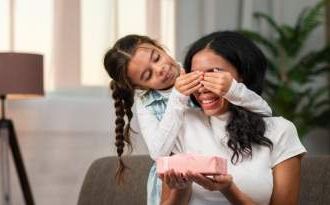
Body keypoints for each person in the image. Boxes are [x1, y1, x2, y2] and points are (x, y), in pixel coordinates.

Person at [103, 34, 272, 204]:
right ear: (140, 86)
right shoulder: (146, 103)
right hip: (176, 180)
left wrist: (233, 90)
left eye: (156, 58)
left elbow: (264, 113)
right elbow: (158, 153)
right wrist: (178, 97)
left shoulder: (197, 66)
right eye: (148, 76)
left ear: (160, 47)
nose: (159, 69)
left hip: (221, 157)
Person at [154, 31, 307, 205]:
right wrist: (182, 188)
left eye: (213, 75)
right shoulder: (183, 123)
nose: (202, 88)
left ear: (242, 75)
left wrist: (229, 190)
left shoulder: (280, 130)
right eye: (195, 76)